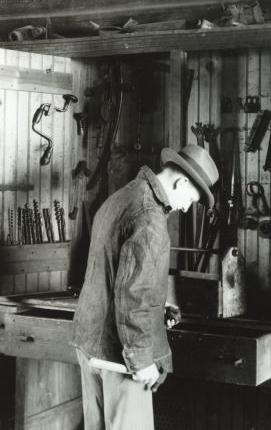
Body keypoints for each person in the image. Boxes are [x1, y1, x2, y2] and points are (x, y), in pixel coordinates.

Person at [71, 144, 219, 430]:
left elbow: (116, 275)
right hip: (120, 355)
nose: (186, 207)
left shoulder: (122, 196)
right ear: (182, 182)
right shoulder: (150, 218)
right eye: (190, 198)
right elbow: (132, 294)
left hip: (90, 343)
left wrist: (157, 306)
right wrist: (141, 360)